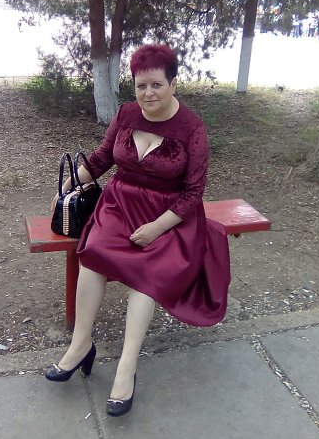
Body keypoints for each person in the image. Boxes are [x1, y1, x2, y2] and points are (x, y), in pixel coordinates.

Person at [45, 44, 230, 417]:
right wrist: (65, 188)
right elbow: (101, 159)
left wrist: (156, 228)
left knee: (146, 276)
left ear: (173, 84)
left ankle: (126, 367)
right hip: (119, 205)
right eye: (141, 85)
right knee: (92, 256)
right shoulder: (127, 114)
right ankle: (80, 344)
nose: (148, 93)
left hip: (170, 216)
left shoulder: (192, 128)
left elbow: (193, 193)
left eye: (156, 85)